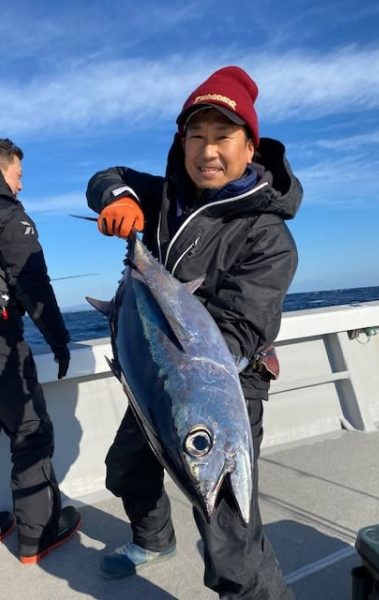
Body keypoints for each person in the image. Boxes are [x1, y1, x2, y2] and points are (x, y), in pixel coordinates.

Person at [86, 66, 302, 599]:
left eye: (223, 136)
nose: (208, 151)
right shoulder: (161, 195)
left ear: (250, 148)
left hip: (225, 387)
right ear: (182, 143)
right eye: (195, 136)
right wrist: (119, 196)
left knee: (231, 538)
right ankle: (155, 539)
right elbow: (103, 177)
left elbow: (242, 328)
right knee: (125, 472)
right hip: (157, 377)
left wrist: (170, 326)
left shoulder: (266, 235)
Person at [0, 138, 81, 563]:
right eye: (17, 177)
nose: (20, 187)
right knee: (31, 432)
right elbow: (32, 283)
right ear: (0, 172)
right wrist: (58, 338)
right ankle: (38, 535)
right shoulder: (5, 213)